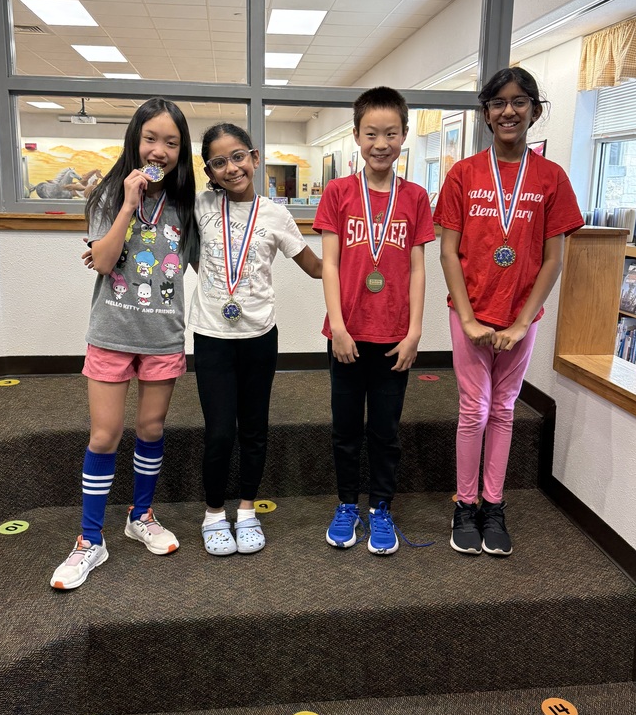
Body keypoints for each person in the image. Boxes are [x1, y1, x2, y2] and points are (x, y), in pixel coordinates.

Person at [434, 67, 583, 557]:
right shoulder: (463, 174)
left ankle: (493, 504)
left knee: (502, 409)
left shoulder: (551, 178)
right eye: (498, 103)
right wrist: (468, 318)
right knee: (473, 409)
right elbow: (448, 252)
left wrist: (521, 323)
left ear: (534, 111)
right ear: (486, 114)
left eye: (519, 102)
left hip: (522, 317)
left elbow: (553, 258)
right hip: (470, 312)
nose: (508, 111)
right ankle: (465, 503)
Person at [50, 97, 196, 589]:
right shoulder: (108, 195)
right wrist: (130, 206)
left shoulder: (185, 205)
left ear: (181, 150)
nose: (159, 150)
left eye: (171, 142)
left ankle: (141, 516)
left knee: (151, 428)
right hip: (112, 333)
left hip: (162, 336)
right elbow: (105, 261)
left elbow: (207, 264)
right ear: (135, 139)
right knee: (104, 435)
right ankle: (90, 540)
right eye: (151, 138)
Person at [188, 122, 322, 556]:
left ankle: (247, 509)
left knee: (254, 428)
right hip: (212, 335)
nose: (232, 168)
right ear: (209, 171)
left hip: (260, 335)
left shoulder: (275, 214)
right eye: (219, 162)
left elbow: (315, 267)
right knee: (219, 432)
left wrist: (361, 257)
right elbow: (174, 244)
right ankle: (213, 513)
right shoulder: (200, 205)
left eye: (238, 156)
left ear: (255, 157)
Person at [314, 86, 435, 555]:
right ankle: (347, 504)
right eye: (371, 134)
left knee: (385, 431)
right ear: (356, 136)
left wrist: (415, 331)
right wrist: (338, 327)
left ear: (404, 135)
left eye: (390, 133)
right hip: (347, 334)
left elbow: (418, 268)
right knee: (345, 429)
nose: (380, 143)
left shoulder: (416, 197)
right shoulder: (338, 193)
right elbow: (329, 264)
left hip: (394, 337)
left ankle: (381, 507)